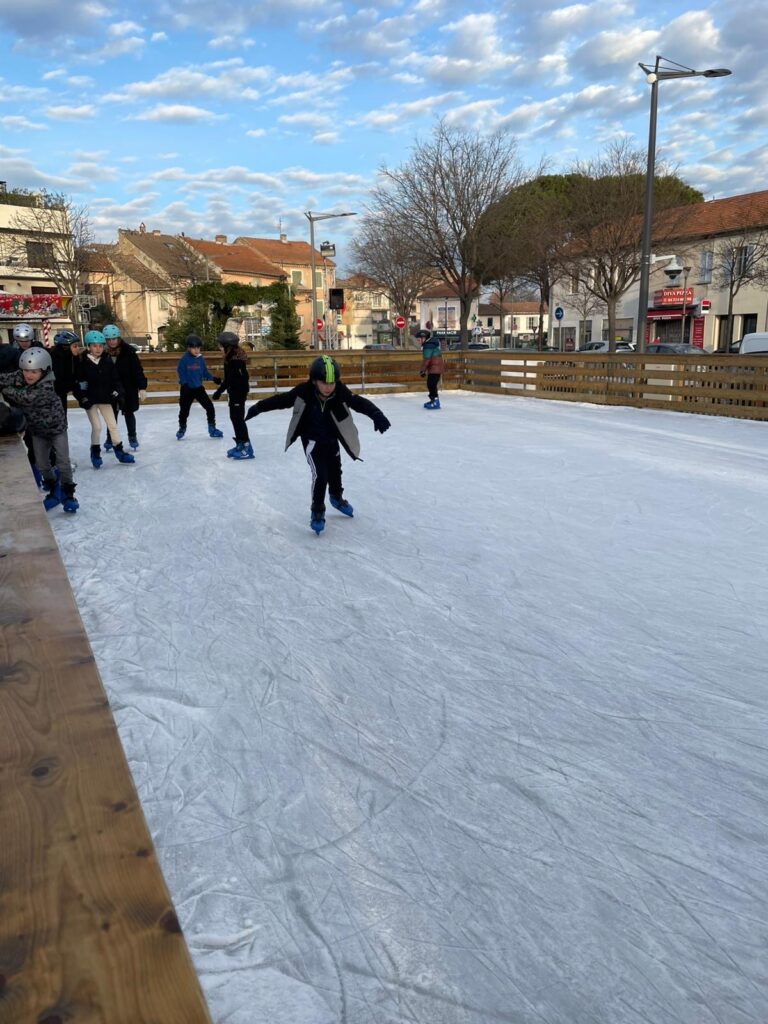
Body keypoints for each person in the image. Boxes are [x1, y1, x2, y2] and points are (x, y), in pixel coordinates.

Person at [245, 354, 390, 535]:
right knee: (320, 475)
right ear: (314, 381)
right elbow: (281, 400)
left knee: (335, 471)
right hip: (312, 442)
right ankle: (317, 510)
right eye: (324, 383)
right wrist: (258, 407)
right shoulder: (304, 391)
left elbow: (358, 402)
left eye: (332, 383)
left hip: (332, 440)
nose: (329, 387)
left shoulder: (339, 392)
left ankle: (336, 497)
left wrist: (376, 414)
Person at [0, 347, 79, 512]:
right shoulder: (23, 376)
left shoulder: (47, 386)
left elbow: (24, 397)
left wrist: (5, 389)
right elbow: (6, 378)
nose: (29, 375)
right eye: (26, 371)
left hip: (57, 430)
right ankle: (53, 488)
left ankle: (68, 494)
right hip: (37, 430)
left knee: (63, 463)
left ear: (44, 371)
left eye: (34, 372)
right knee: (42, 465)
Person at [73, 329, 135, 468]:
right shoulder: (82, 363)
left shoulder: (107, 361)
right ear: (88, 347)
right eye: (94, 345)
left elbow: (115, 379)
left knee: (113, 425)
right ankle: (95, 452)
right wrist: (82, 398)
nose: (98, 349)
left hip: (105, 399)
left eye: (100, 345)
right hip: (91, 400)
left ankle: (119, 451)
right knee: (97, 427)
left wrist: (118, 392)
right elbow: (79, 383)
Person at [102, 324, 148, 450]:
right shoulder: (102, 353)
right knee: (111, 415)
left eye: (114, 339)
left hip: (128, 388)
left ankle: (132, 436)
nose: (112, 342)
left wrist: (142, 387)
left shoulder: (128, 352)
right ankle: (110, 437)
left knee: (129, 413)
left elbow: (137, 370)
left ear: (118, 338)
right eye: (109, 339)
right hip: (111, 388)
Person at [212, 331, 253, 459]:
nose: (219, 348)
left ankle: (247, 447)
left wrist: (219, 391)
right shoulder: (231, 357)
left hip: (238, 392)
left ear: (227, 346)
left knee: (238, 418)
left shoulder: (235, 360)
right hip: (235, 391)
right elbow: (230, 378)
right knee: (234, 417)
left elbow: (231, 379)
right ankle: (240, 443)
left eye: (221, 346)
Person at [176, 335, 223, 440]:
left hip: (198, 389)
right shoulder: (184, 359)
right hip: (187, 389)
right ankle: (182, 428)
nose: (197, 350)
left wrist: (213, 378)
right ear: (188, 348)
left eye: (198, 348)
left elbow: (204, 372)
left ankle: (212, 428)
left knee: (210, 407)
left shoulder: (200, 358)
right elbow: (181, 372)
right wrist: (184, 384)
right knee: (184, 411)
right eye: (194, 348)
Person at [50, 330, 83, 420]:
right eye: (75, 346)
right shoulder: (57, 361)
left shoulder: (72, 359)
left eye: (78, 346)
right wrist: (75, 385)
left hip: (62, 396)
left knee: (63, 423)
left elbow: (76, 378)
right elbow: (60, 384)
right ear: (66, 347)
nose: (78, 348)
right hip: (53, 399)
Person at [417, 328, 444, 409]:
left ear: (424, 338)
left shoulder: (428, 346)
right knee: (431, 384)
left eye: (419, 339)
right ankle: (434, 400)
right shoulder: (431, 344)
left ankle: (435, 402)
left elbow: (426, 359)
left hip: (435, 368)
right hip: (435, 368)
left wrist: (422, 370)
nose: (418, 341)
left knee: (431, 384)